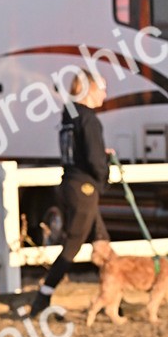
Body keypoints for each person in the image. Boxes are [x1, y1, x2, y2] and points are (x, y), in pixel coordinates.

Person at [29, 71, 110, 318]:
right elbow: (95, 159)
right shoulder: (89, 119)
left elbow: (81, 148)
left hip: (69, 183)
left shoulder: (70, 114)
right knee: (72, 246)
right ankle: (42, 298)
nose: (105, 94)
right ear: (89, 89)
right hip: (84, 188)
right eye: (102, 88)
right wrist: (103, 178)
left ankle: (110, 297)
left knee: (101, 240)